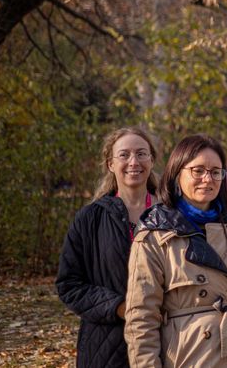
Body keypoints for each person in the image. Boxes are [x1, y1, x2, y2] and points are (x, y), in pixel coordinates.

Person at [123, 134, 227, 368]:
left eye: (215, 172)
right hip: (192, 357)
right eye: (198, 170)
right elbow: (141, 318)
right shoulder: (154, 235)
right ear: (177, 173)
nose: (207, 179)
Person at [56, 127, 160, 368]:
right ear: (110, 164)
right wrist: (119, 307)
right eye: (124, 155)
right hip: (105, 347)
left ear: (152, 160)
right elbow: (69, 284)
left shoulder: (171, 214)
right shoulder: (90, 218)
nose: (133, 161)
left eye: (141, 154)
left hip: (165, 339)